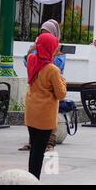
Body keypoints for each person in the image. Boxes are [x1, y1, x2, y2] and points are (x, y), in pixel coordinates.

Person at [19, 19, 65, 152]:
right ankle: (33, 143)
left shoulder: (57, 54)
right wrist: (33, 49)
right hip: (39, 95)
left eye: (47, 33)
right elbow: (28, 62)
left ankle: (50, 142)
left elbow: (57, 66)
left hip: (49, 89)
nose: (43, 36)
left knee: (49, 119)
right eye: (42, 33)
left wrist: (52, 54)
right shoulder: (35, 54)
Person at [25, 33, 67, 179]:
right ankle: (34, 179)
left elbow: (32, 55)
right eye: (54, 46)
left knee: (34, 149)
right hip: (45, 116)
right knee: (39, 150)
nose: (57, 49)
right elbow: (61, 94)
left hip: (31, 112)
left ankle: (30, 178)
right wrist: (62, 78)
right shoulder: (53, 69)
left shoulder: (31, 60)